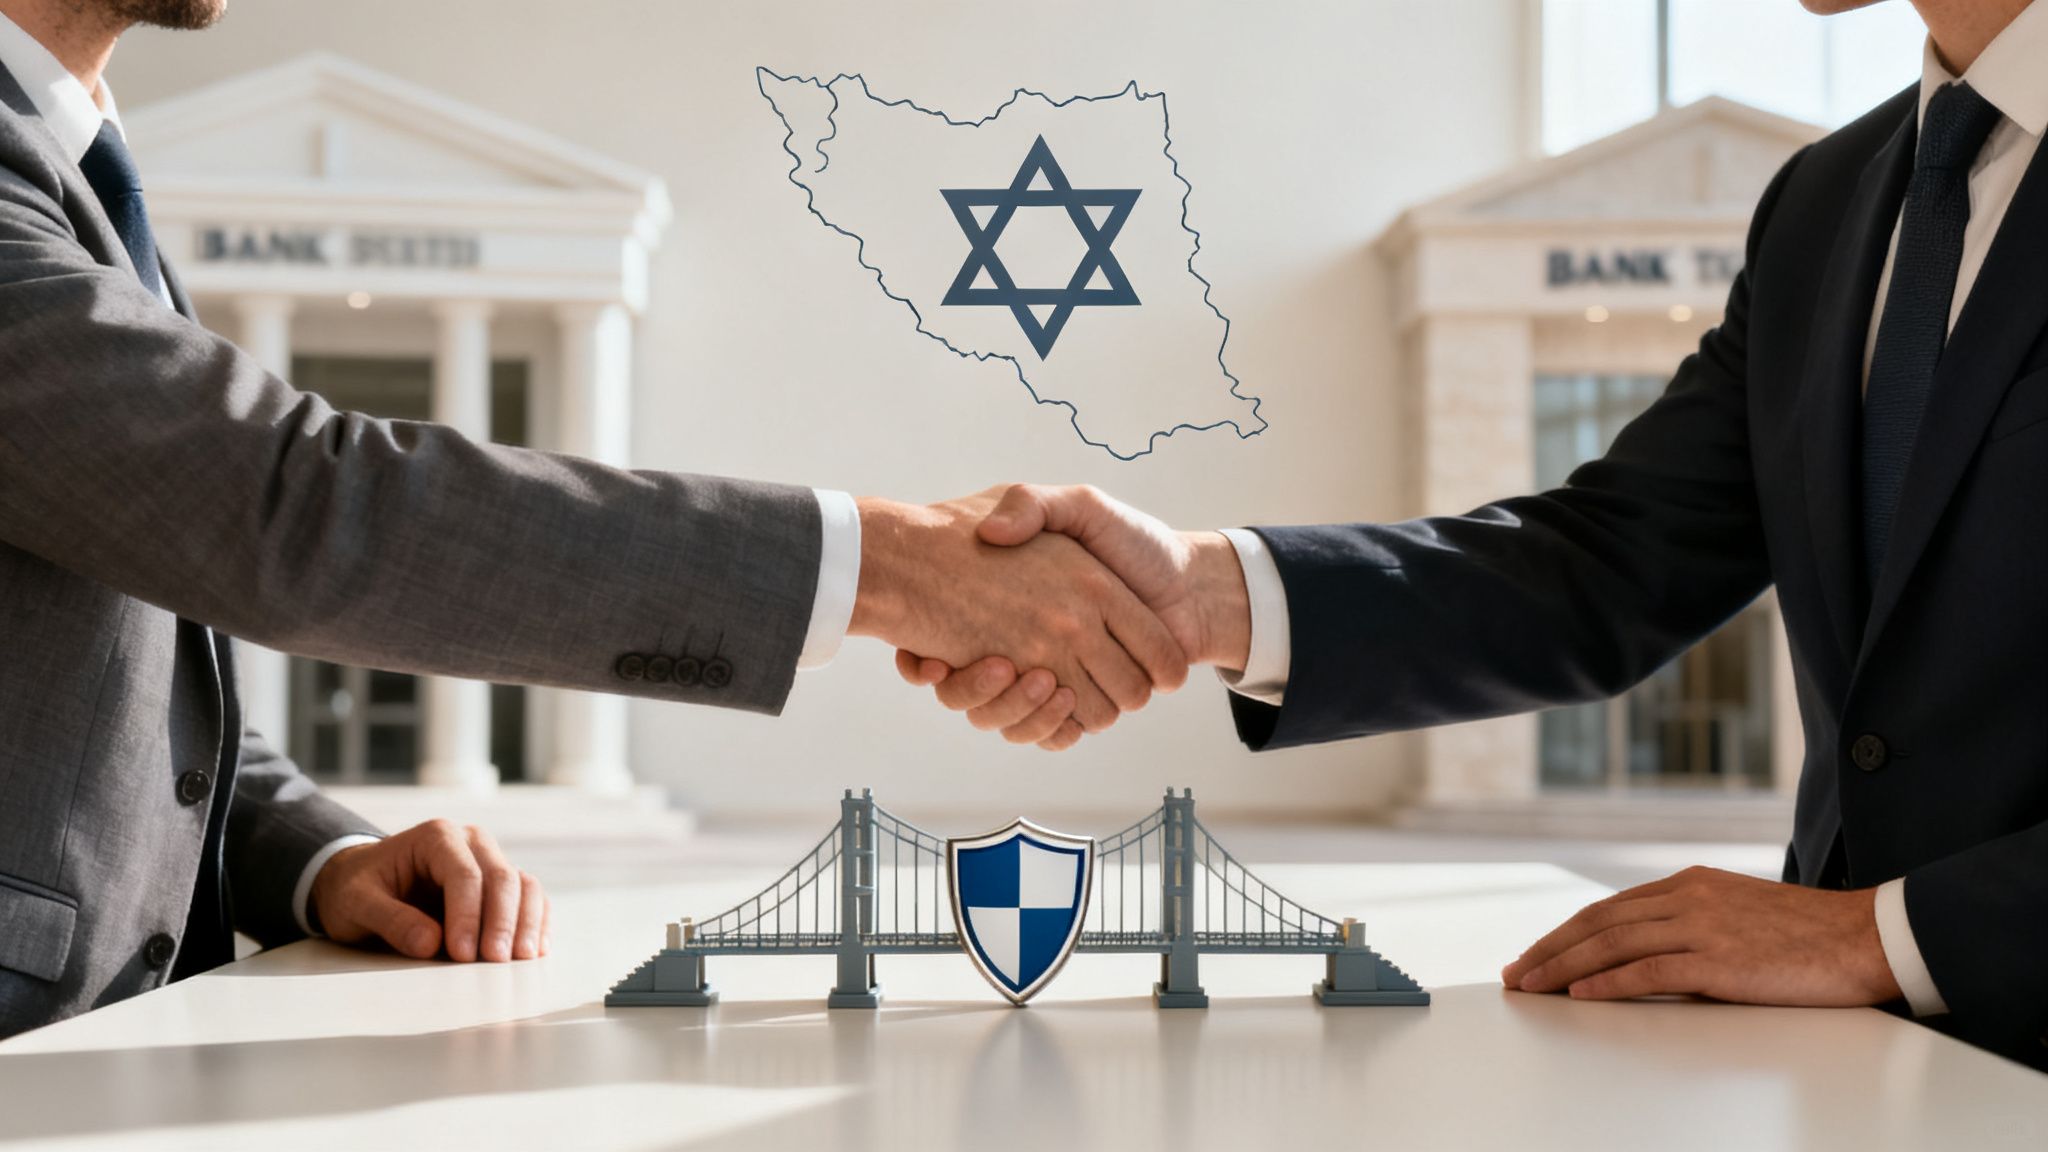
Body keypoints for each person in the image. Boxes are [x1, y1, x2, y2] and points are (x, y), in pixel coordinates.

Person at [0, 0, 1186, 1039]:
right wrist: (893, 569)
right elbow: (291, 509)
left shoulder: (83, 170)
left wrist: (315, 859)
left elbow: (124, 624)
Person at [905, 0, 2048, 1071]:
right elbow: (1608, 561)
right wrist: (1203, 592)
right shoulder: (1827, 201)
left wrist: (1878, 936)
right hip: (1860, 1072)